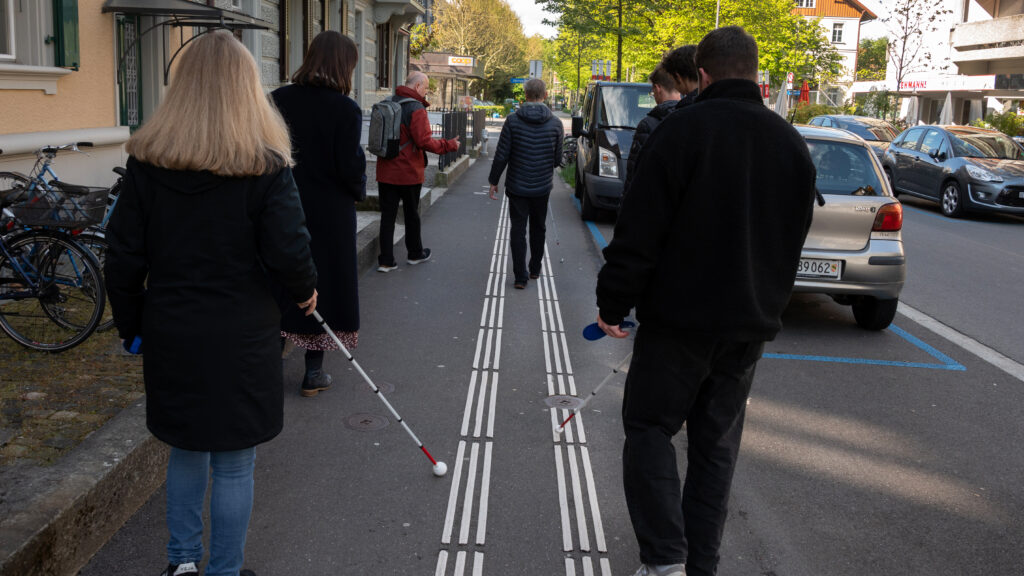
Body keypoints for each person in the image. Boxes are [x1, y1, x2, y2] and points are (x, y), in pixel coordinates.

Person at [594, 26, 816, 576]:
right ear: (756, 72)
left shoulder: (682, 132)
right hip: (748, 326)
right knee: (716, 447)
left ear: (705, 73)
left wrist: (613, 303)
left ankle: (665, 557)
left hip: (679, 321)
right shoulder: (790, 144)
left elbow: (639, 231)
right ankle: (702, 564)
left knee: (649, 427)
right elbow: (792, 237)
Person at [104, 31, 318, 576]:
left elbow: (124, 257)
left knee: (184, 448)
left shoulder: (148, 164)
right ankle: (224, 569)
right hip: (241, 331)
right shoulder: (266, 167)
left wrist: (132, 325)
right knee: (233, 460)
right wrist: (305, 292)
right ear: (247, 90)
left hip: (173, 326)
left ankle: (181, 564)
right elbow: (289, 251)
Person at [272, 31, 363, 397]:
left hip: (282, 204)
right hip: (329, 212)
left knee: (279, 275)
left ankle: (269, 360)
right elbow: (350, 166)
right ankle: (313, 372)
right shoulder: (345, 108)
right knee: (321, 282)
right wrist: (357, 190)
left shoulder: (278, 99)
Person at [376, 71, 459, 272]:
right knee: (411, 213)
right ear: (417, 87)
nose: (426, 92)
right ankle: (415, 253)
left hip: (385, 170)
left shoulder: (389, 102)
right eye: (426, 87)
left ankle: (386, 261)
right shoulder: (416, 108)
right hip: (408, 173)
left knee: (387, 216)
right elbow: (424, 141)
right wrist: (449, 145)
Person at [487, 78, 564, 289]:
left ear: (525, 96)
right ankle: (535, 269)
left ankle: (519, 277)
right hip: (542, 187)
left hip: (517, 186)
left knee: (518, 229)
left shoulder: (512, 121)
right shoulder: (556, 124)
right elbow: (557, 160)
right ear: (546, 95)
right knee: (539, 227)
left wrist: (494, 181)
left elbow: (502, 155)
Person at [623, 64, 681, 196]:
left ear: (657, 88)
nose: (653, 95)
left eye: (652, 92)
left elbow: (634, 173)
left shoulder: (648, 125)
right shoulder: (692, 118)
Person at [661, 44, 699, 110]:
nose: (674, 86)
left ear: (678, 78)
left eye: (672, 80)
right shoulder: (717, 101)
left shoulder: (683, 112)